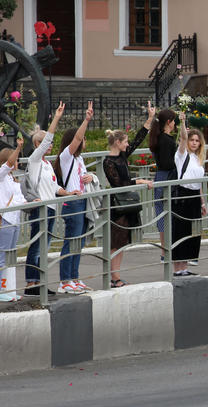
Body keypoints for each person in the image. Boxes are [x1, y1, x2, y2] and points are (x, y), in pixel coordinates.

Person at [23, 102, 80, 297]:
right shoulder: (35, 160)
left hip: (50, 207)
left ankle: (39, 280)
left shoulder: (46, 164)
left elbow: (54, 187)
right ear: (38, 145)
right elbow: (48, 140)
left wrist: (68, 193)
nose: (51, 145)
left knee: (44, 246)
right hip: (41, 207)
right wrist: (56, 118)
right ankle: (32, 283)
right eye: (46, 143)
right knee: (37, 245)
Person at [103, 101, 156, 287]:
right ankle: (113, 276)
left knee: (122, 241)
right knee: (115, 242)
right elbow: (119, 183)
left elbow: (138, 139)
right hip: (118, 205)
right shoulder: (108, 161)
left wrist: (150, 118)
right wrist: (140, 181)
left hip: (126, 204)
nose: (127, 144)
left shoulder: (122, 156)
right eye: (124, 141)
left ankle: (117, 275)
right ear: (117, 142)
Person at [53, 102, 94, 294]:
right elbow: (77, 138)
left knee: (79, 242)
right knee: (71, 241)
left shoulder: (79, 159)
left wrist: (91, 177)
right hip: (73, 203)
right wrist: (86, 120)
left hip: (83, 201)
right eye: (82, 140)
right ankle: (65, 281)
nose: (84, 142)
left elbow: (85, 177)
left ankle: (74, 277)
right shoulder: (66, 156)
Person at [172, 112, 207, 275]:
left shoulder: (198, 159)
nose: (194, 143)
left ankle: (185, 267)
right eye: (192, 140)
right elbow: (182, 139)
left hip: (194, 196)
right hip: (182, 195)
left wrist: (202, 202)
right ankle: (177, 268)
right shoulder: (182, 155)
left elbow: (198, 183)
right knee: (180, 230)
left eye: (197, 140)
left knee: (193, 231)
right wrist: (183, 122)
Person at [0, 138, 27, 301]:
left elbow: (19, 198)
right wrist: (18, 147)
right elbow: (8, 164)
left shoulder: (12, 178)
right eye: (15, 160)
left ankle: (8, 289)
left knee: (10, 256)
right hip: (5, 219)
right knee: (2, 255)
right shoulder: (1, 175)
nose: (16, 162)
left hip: (15, 219)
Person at [149, 108, 178, 261]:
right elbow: (168, 163)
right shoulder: (166, 140)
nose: (174, 124)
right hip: (167, 178)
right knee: (169, 214)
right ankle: (168, 250)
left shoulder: (157, 137)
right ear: (168, 122)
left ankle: (164, 251)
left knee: (161, 214)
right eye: (173, 121)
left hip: (160, 177)